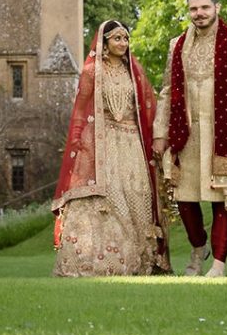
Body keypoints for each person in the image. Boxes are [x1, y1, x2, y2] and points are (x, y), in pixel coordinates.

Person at [154, 0, 227, 277]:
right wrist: (160, 133)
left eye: (204, 7)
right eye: (193, 9)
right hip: (184, 134)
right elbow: (166, 91)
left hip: (223, 135)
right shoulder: (177, 44)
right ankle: (199, 247)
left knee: (223, 196)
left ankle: (218, 265)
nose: (198, 14)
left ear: (217, 7)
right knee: (184, 197)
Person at [52, 19, 170, 276]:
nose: (122, 43)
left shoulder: (133, 72)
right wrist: (77, 143)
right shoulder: (93, 71)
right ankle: (98, 263)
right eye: (117, 38)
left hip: (131, 144)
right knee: (107, 199)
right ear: (104, 42)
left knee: (138, 196)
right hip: (103, 145)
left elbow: (150, 106)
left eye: (125, 39)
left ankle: (143, 262)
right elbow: (81, 110)